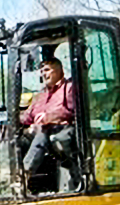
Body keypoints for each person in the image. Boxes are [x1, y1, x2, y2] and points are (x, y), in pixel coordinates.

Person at [20, 56, 78, 194]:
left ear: (59, 70)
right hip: (41, 131)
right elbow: (28, 116)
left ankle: (24, 175)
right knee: (16, 137)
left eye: (47, 70)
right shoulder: (41, 94)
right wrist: (13, 119)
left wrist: (48, 117)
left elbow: (72, 111)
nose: (43, 74)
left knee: (44, 132)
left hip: (64, 130)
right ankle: (7, 175)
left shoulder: (69, 88)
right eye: (42, 71)